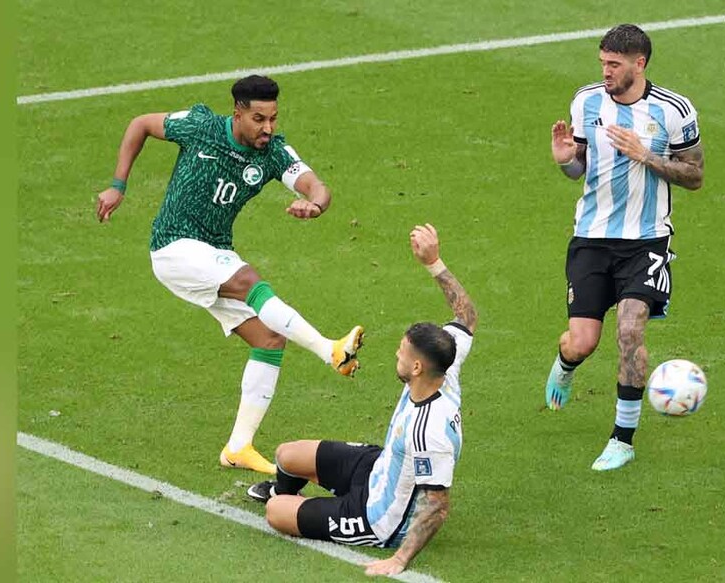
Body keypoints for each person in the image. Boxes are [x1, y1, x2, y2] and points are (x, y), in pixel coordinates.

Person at [94, 75, 365, 475]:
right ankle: (331, 351)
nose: (267, 128)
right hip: (174, 246)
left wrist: (316, 205)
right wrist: (118, 185)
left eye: (272, 118)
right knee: (249, 281)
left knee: (269, 338)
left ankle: (238, 447)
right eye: (258, 119)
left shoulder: (272, 152)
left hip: (213, 252)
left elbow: (315, 185)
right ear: (237, 112)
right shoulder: (200, 126)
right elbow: (141, 124)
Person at [246, 224, 477, 577]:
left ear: (417, 367)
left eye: (401, 353)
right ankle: (289, 494)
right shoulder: (447, 361)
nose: (395, 356)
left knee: (276, 514)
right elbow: (467, 316)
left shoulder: (429, 434)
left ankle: (320, 510)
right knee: (287, 455)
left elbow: (437, 505)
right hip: (379, 465)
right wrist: (434, 263)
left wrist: (399, 560)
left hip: (377, 514)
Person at [545, 24, 705, 471]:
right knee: (582, 341)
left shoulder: (674, 110)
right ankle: (565, 363)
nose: (606, 72)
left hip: (647, 240)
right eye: (603, 63)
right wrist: (566, 162)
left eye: (614, 65)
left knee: (631, 330)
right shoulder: (586, 101)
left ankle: (622, 438)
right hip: (592, 239)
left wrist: (647, 156)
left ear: (640, 64)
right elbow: (579, 170)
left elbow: (695, 175)